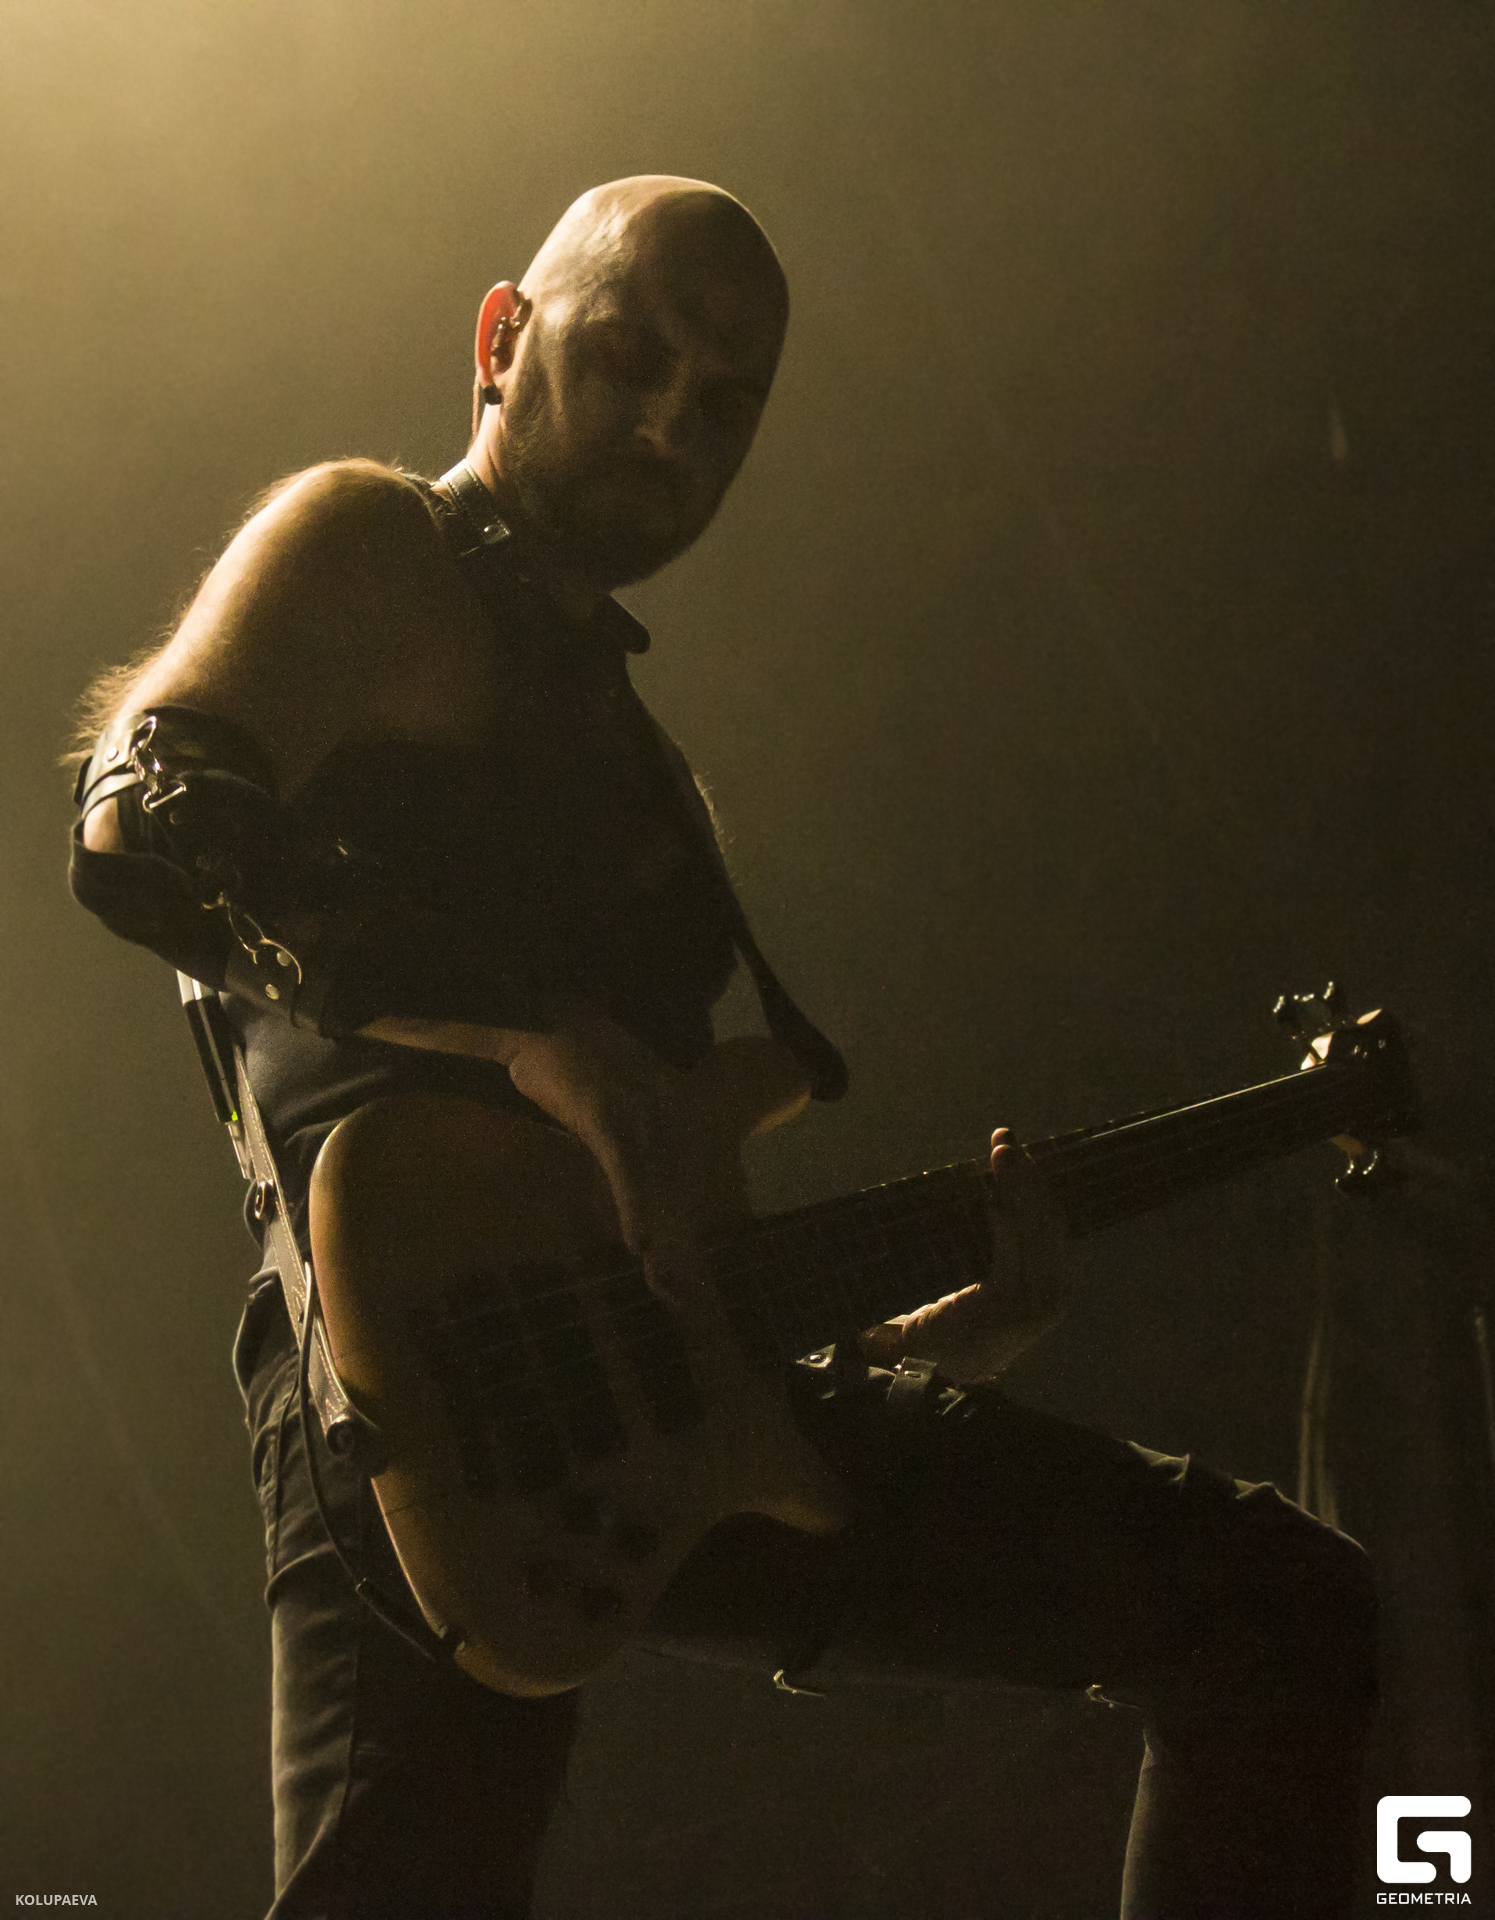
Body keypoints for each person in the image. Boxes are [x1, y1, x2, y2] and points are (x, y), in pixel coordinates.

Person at [70, 176, 1377, 1919]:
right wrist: (527, 1039)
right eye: (632, 356)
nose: (675, 423)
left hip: (647, 1402)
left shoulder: (648, 772)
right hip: (413, 1378)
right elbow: (151, 822)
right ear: (501, 340)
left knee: (1277, 1606)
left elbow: (671, 1234)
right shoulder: (376, 544)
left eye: (728, 400)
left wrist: (931, 1341)